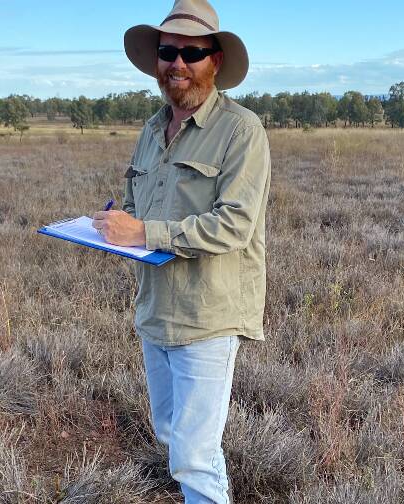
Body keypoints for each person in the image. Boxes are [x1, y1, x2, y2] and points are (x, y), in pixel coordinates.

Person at [91, 1, 270, 502]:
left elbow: (234, 225)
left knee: (194, 455)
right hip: (155, 310)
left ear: (215, 60)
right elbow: (134, 204)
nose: (178, 63)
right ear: (156, 62)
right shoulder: (151, 131)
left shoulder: (241, 131)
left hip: (206, 315)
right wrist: (110, 224)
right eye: (168, 51)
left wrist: (144, 232)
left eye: (193, 52)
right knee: (171, 434)